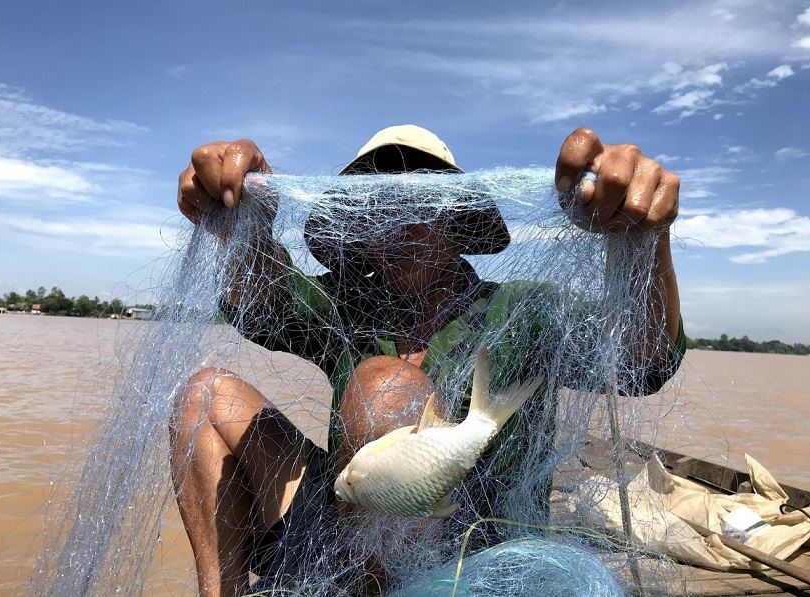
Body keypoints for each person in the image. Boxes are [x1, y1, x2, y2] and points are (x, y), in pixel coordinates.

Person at [171, 125, 684, 596]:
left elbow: (642, 362)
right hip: (343, 539)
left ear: (457, 219)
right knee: (203, 395)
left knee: (386, 389)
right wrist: (244, 220)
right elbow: (261, 306)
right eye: (380, 210)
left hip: (473, 559)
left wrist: (643, 239)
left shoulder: (522, 309)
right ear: (361, 233)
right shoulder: (346, 306)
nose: (402, 226)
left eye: (422, 205)